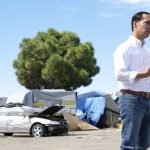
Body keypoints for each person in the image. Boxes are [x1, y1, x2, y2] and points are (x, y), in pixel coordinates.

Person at [113, 11, 150, 150]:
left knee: (144, 145)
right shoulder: (124, 48)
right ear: (135, 24)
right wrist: (144, 74)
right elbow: (120, 74)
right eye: (147, 23)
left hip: (148, 100)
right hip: (131, 99)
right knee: (129, 144)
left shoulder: (147, 51)